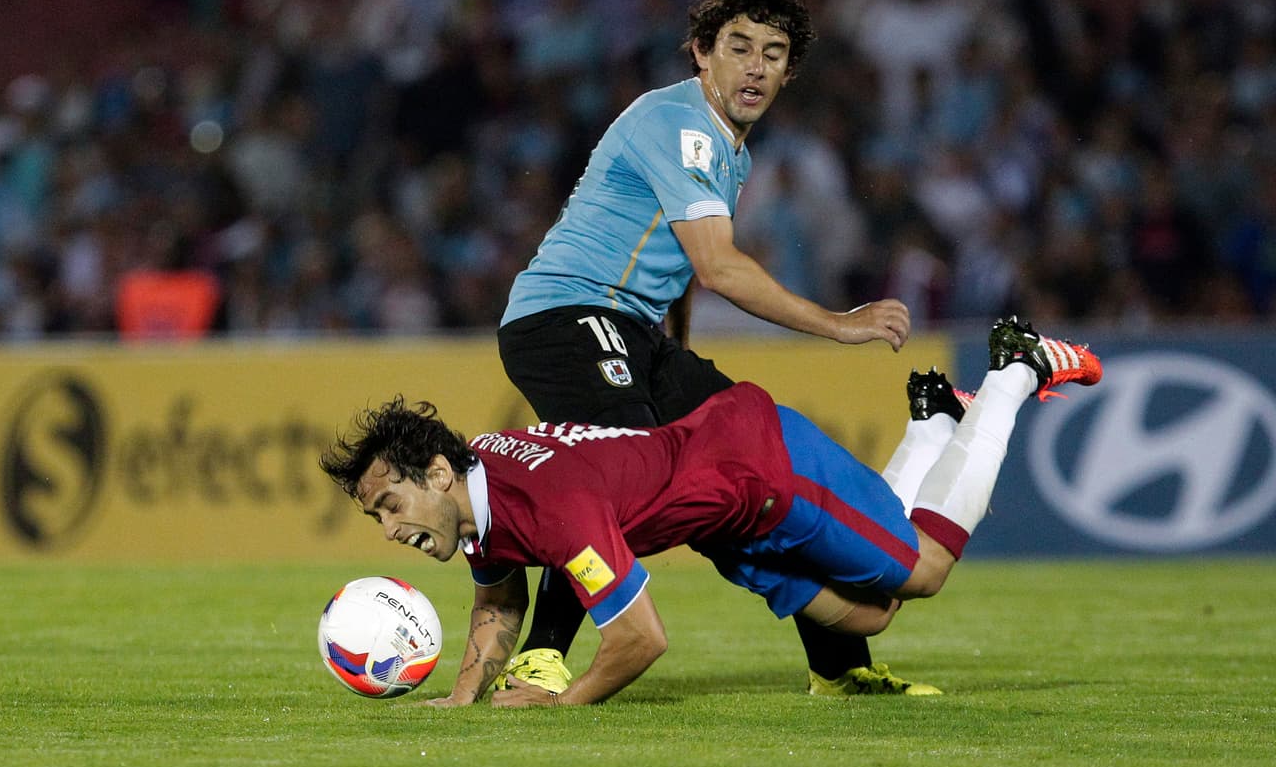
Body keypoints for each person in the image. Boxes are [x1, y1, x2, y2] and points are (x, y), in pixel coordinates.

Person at [495, 0, 920, 698]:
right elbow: (719, 267)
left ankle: (839, 669)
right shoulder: (680, 125)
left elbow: (684, 268)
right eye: (739, 47)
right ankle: (538, 656)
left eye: (775, 53)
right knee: (614, 472)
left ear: (790, 71)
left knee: (757, 459)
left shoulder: (730, 150)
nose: (756, 67)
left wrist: (676, 352)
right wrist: (838, 325)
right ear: (701, 52)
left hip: (632, 331)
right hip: (563, 316)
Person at [320, 317, 1103, 707]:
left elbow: (639, 640)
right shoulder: (478, 492)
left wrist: (563, 700)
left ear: (434, 472)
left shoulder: (550, 507)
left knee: (923, 572)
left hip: (761, 466)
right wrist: (463, 702)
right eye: (376, 520)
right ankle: (933, 421)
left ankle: (1012, 374)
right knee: (868, 619)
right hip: (725, 523)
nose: (390, 531)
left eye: (390, 504)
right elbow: (497, 596)